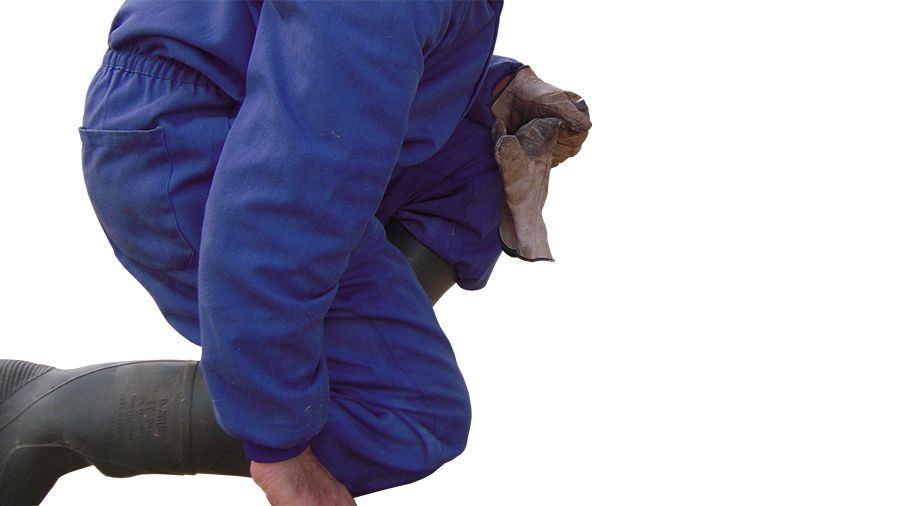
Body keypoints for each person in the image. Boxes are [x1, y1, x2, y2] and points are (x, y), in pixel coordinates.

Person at [0, 1, 590, 504]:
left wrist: (490, 86)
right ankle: (44, 414)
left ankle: (329, 355)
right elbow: (287, 187)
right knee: (405, 414)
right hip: (202, 143)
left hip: (235, 96)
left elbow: (332, 42)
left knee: (477, 150)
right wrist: (279, 447)